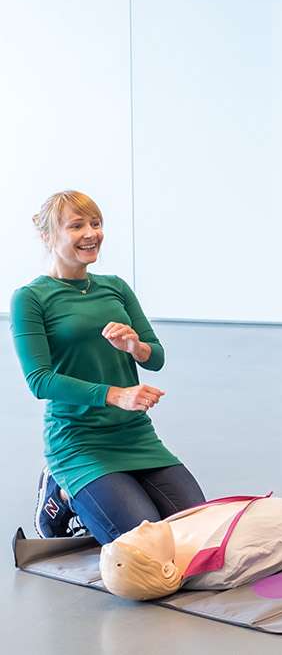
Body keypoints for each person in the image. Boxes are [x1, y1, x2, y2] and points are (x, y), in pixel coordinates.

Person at [13, 191, 204, 543]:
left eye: (96, 223)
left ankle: (91, 493)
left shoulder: (115, 287)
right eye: (77, 225)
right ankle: (63, 493)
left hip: (135, 436)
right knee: (146, 545)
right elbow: (40, 381)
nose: (91, 233)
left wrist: (136, 347)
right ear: (47, 236)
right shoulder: (31, 298)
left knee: (197, 533)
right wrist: (115, 395)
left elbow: (157, 357)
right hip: (79, 442)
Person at [99, 494, 282, 600]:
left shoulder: (171, 535)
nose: (144, 524)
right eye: (141, 537)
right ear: (166, 568)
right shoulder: (229, 561)